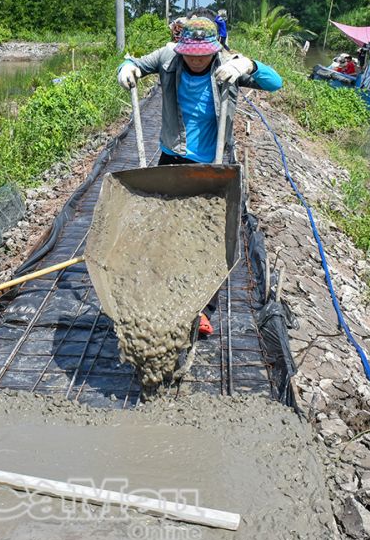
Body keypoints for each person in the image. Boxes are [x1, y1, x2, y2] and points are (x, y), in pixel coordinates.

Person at [116, 17, 282, 335]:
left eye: (202, 53)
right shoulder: (168, 58)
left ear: (214, 48)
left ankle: (201, 308)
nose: (195, 59)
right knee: (166, 232)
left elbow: (275, 83)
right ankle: (161, 295)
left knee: (208, 239)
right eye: (190, 53)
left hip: (212, 167)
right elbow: (132, 63)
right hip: (172, 161)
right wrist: (126, 68)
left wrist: (249, 65)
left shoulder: (226, 65)